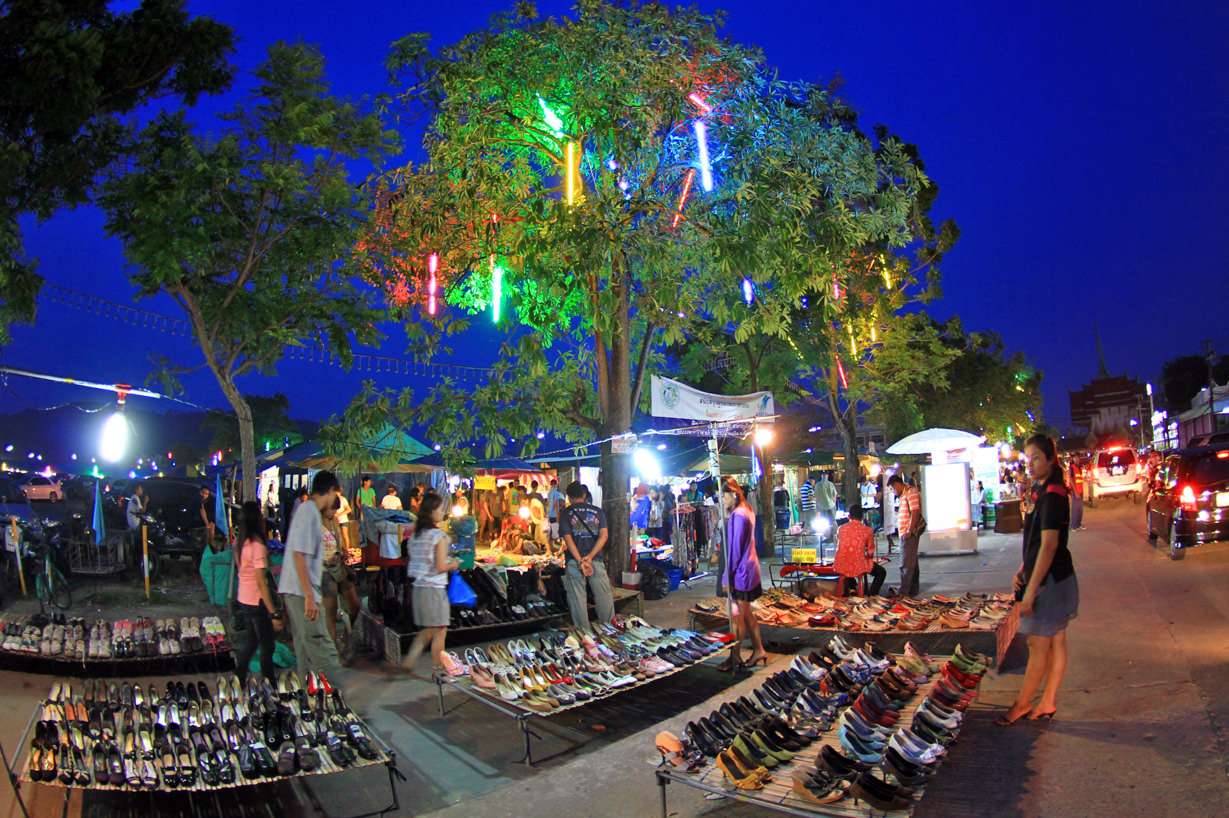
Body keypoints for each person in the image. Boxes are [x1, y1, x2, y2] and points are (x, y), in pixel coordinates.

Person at [998, 434, 1079, 725]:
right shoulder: (1042, 489)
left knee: (1038, 644)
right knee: (1056, 640)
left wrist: (1031, 591)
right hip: (1052, 576)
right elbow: (1035, 542)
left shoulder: (1053, 495)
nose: (1029, 464)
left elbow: (1049, 545)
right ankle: (1047, 701)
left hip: (1051, 581)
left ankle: (1022, 705)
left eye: (1035, 458)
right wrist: (1023, 569)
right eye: (1027, 458)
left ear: (1050, 459)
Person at [277, 470, 343, 678]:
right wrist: (309, 596)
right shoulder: (309, 511)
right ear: (330, 491)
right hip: (301, 592)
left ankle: (309, 692)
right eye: (335, 494)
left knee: (305, 648)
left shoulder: (308, 511)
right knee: (321, 646)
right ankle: (338, 690)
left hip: (298, 590)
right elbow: (299, 555)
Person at [401, 492, 463, 676]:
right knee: (440, 631)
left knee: (428, 630)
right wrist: (454, 564)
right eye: (440, 509)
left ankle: (409, 662)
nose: (443, 512)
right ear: (431, 512)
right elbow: (441, 566)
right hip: (434, 590)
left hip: (419, 589)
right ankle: (438, 671)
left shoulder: (416, 536)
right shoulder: (438, 536)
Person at [720, 479, 767, 670]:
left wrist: (727, 576)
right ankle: (759, 650)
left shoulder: (738, 515)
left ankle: (734, 657)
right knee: (746, 614)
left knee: (737, 616)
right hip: (749, 568)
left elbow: (735, 549)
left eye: (723, 496)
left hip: (742, 572)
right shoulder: (746, 509)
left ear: (733, 494)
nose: (722, 500)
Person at [234, 501, 282, 684]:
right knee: (267, 646)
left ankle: (239, 678)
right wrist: (273, 613)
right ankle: (270, 683)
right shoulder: (257, 546)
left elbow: (244, 570)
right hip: (256, 600)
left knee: (252, 641)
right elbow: (261, 582)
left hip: (244, 597)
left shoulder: (240, 543)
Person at [559, 482, 614, 630]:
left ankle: (584, 634)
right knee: (604, 596)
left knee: (578, 599)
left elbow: (568, 539)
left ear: (569, 497)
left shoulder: (566, 513)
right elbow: (604, 536)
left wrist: (580, 560)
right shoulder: (598, 512)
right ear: (584, 495)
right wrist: (590, 556)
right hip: (595, 560)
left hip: (574, 562)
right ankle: (609, 630)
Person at [321, 496, 360, 650]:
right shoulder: (315, 523)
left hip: (340, 567)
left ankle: (345, 636)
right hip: (324, 571)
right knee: (330, 613)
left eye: (336, 510)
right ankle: (333, 649)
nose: (334, 513)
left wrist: (343, 553)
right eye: (332, 509)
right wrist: (325, 561)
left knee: (355, 605)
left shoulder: (335, 521)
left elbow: (339, 543)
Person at [833, 505, 886, 597]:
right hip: (858, 564)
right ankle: (872, 595)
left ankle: (853, 588)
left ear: (849, 516)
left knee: (847, 566)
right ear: (862, 517)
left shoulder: (840, 529)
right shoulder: (867, 530)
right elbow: (870, 552)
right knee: (881, 572)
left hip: (841, 564)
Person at [888, 473, 923, 596]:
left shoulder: (910, 491)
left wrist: (909, 530)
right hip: (905, 532)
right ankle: (912, 589)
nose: (893, 491)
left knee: (906, 563)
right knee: (912, 562)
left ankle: (904, 592)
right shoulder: (904, 494)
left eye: (892, 488)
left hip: (909, 533)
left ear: (897, 484)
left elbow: (915, 511)